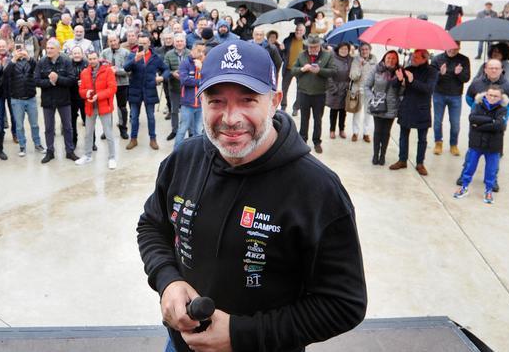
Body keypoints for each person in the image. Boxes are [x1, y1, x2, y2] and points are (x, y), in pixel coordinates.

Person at [136, 39, 367, 352]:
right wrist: (168, 281)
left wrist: (241, 334)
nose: (231, 118)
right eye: (216, 101)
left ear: (275, 101)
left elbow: (344, 304)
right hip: (180, 346)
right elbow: (151, 226)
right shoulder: (183, 160)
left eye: (248, 100)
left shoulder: (318, 189)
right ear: (200, 101)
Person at [454, 85, 508, 204]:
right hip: (476, 143)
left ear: (500, 97)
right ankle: (464, 187)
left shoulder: (503, 109)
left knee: (491, 169)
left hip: (493, 146)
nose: (492, 98)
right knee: (469, 166)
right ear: (486, 95)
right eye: (490, 95)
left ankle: (488, 190)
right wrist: (491, 120)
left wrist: (480, 125)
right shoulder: (478, 105)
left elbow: (500, 125)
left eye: (495, 96)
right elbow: (472, 118)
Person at [388, 49, 437, 176]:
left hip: (422, 108)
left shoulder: (432, 71)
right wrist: (398, 79)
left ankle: (420, 163)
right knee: (403, 135)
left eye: (416, 57)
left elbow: (428, 89)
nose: (413, 59)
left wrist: (412, 81)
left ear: (424, 58)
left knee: (422, 138)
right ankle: (402, 159)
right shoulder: (409, 68)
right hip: (407, 106)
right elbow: (394, 86)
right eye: (412, 56)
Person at [35, 39, 78, 163]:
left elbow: (71, 80)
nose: (48, 50)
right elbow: (36, 81)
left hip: (63, 99)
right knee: (49, 128)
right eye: (47, 48)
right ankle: (50, 152)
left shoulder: (66, 61)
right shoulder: (41, 62)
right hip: (48, 100)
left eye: (51, 48)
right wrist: (50, 82)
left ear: (58, 49)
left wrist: (58, 79)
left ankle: (69, 151)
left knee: (67, 127)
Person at [124, 33, 168, 151]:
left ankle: (153, 139)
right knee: (134, 117)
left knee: (151, 117)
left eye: (145, 43)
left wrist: (162, 77)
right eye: (140, 43)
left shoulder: (155, 57)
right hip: (135, 89)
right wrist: (135, 60)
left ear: (149, 43)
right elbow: (126, 68)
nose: (142, 45)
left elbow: (166, 69)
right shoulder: (133, 55)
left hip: (149, 89)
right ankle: (133, 139)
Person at [75, 49, 118, 169]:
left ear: (98, 58)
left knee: (108, 133)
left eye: (94, 58)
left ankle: (112, 157)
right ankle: (87, 155)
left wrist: (98, 96)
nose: (92, 61)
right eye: (90, 59)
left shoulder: (107, 70)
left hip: (104, 106)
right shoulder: (84, 72)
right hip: (90, 107)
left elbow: (112, 88)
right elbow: (81, 90)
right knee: (88, 133)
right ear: (87, 59)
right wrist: (86, 93)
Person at [292, 35, 333, 153]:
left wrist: (320, 71)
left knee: (318, 119)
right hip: (304, 92)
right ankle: (302, 140)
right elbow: (293, 70)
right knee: (304, 118)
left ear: (319, 46)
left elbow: (333, 71)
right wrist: (302, 69)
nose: (312, 49)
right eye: (310, 47)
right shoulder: (302, 55)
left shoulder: (327, 55)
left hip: (319, 93)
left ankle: (317, 142)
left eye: (315, 47)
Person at [5, 41, 44, 156]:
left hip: (31, 98)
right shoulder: (10, 62)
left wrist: (29, 57)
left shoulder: (29, 61)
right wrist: (13, 59)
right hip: (17, 99)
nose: (19, 51)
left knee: (34, 124)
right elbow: (6, 74)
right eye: (17, 49)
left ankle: (37, 144)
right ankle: (22, 146)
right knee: (19, 125)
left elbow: (37, 68)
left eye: (21, 49)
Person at [431, 44, 470, 156]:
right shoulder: (437, 59)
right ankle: (438, 142)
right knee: (438, 121)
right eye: (450, 47)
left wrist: (459, 74)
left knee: (455, 123)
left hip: (455, 95)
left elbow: (466, 78)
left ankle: (454, 144)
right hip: (439, 94)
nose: (452, 50)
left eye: (456, 48)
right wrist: (440, 74)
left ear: (459, 48)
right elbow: (431, 77)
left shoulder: (464, 60)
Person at [365, 50, 402, 165]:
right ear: (384, 59)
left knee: (386, 132)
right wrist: (372, 98)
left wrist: (402, 81)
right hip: (378, 105)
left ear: (397, 60)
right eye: (388, 58)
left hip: (391, 106)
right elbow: (366, 86)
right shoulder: (376, 69)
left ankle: (383, 155)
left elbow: (402, 92)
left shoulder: (400, 72)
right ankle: (375, 154)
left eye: (393, 58)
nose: (391, 60)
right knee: (377, 131)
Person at [173, 42, 205, 149]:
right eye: (198, 50)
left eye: (202, 51)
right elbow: (184, 81)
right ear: (192, 50)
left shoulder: (204, 64)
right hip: (187, 103)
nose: (201, 53)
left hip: (201, 104)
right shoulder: (185, 63)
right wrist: (200, 81)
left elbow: (209, 79)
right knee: (183, 129)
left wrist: (201, 69)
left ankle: (197, 153)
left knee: (198, 131)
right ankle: (176, 152)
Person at [101, 34, 131, 140]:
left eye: (114, 40)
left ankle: (123, 128)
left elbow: (129, 70)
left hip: (122, 84)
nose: (113, 43)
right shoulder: (104, 53)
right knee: (106, 107)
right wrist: (108, 71)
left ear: (118, 40)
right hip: (107, 85)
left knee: (122, 107)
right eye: (110, 41)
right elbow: (101, 68)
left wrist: (117, 71)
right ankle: (106, 130)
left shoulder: (126, 53)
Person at [348, 42, 377, 142]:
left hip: (369, 91)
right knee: (357, 112)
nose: (364, 51)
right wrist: (360, 67)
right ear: (360, 51)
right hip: (357, 90)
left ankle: (366, 133)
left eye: (366, 49)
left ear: (370, 50)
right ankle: (355, 132)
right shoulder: (356, 60)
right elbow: (353, 76)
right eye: (362, 49)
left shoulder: (374, 61)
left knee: (368, 113)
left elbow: (376, 76)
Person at [162, 34, 188, 142]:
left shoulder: (190, 53)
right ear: (174, 43)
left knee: (188, 111)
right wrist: (173, 73)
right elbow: (164, 69)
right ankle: (174, 130)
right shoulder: (168, 54)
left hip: (188, 88)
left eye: (181, 41)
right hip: (174, 87)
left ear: (185, 42)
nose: (179, 43)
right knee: (174, 110)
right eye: (177, 41)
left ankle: (189, 131)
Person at [326, 43, 353, 139]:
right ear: (338, 49)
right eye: (342, 49)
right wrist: (333, 88)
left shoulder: (351, 59)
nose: (344, 51)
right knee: (334, 110)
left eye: (346, 49)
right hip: (335, 87)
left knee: (343, 111)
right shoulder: (332, 58)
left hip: (346, 88)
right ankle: (332, 130)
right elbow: (328, 75)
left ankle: (342, 129)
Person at [280, 23, 306, 113]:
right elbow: (282, 53)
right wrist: (282, 49)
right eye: (297, 30)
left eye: (300, 30)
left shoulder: (306, 42)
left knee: (300, 90)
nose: (298, 32)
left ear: (304, 32)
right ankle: (283, 106)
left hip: (300, 70)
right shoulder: (288, 40)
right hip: (288, 68)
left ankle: (296, 108)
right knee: (284, 88)